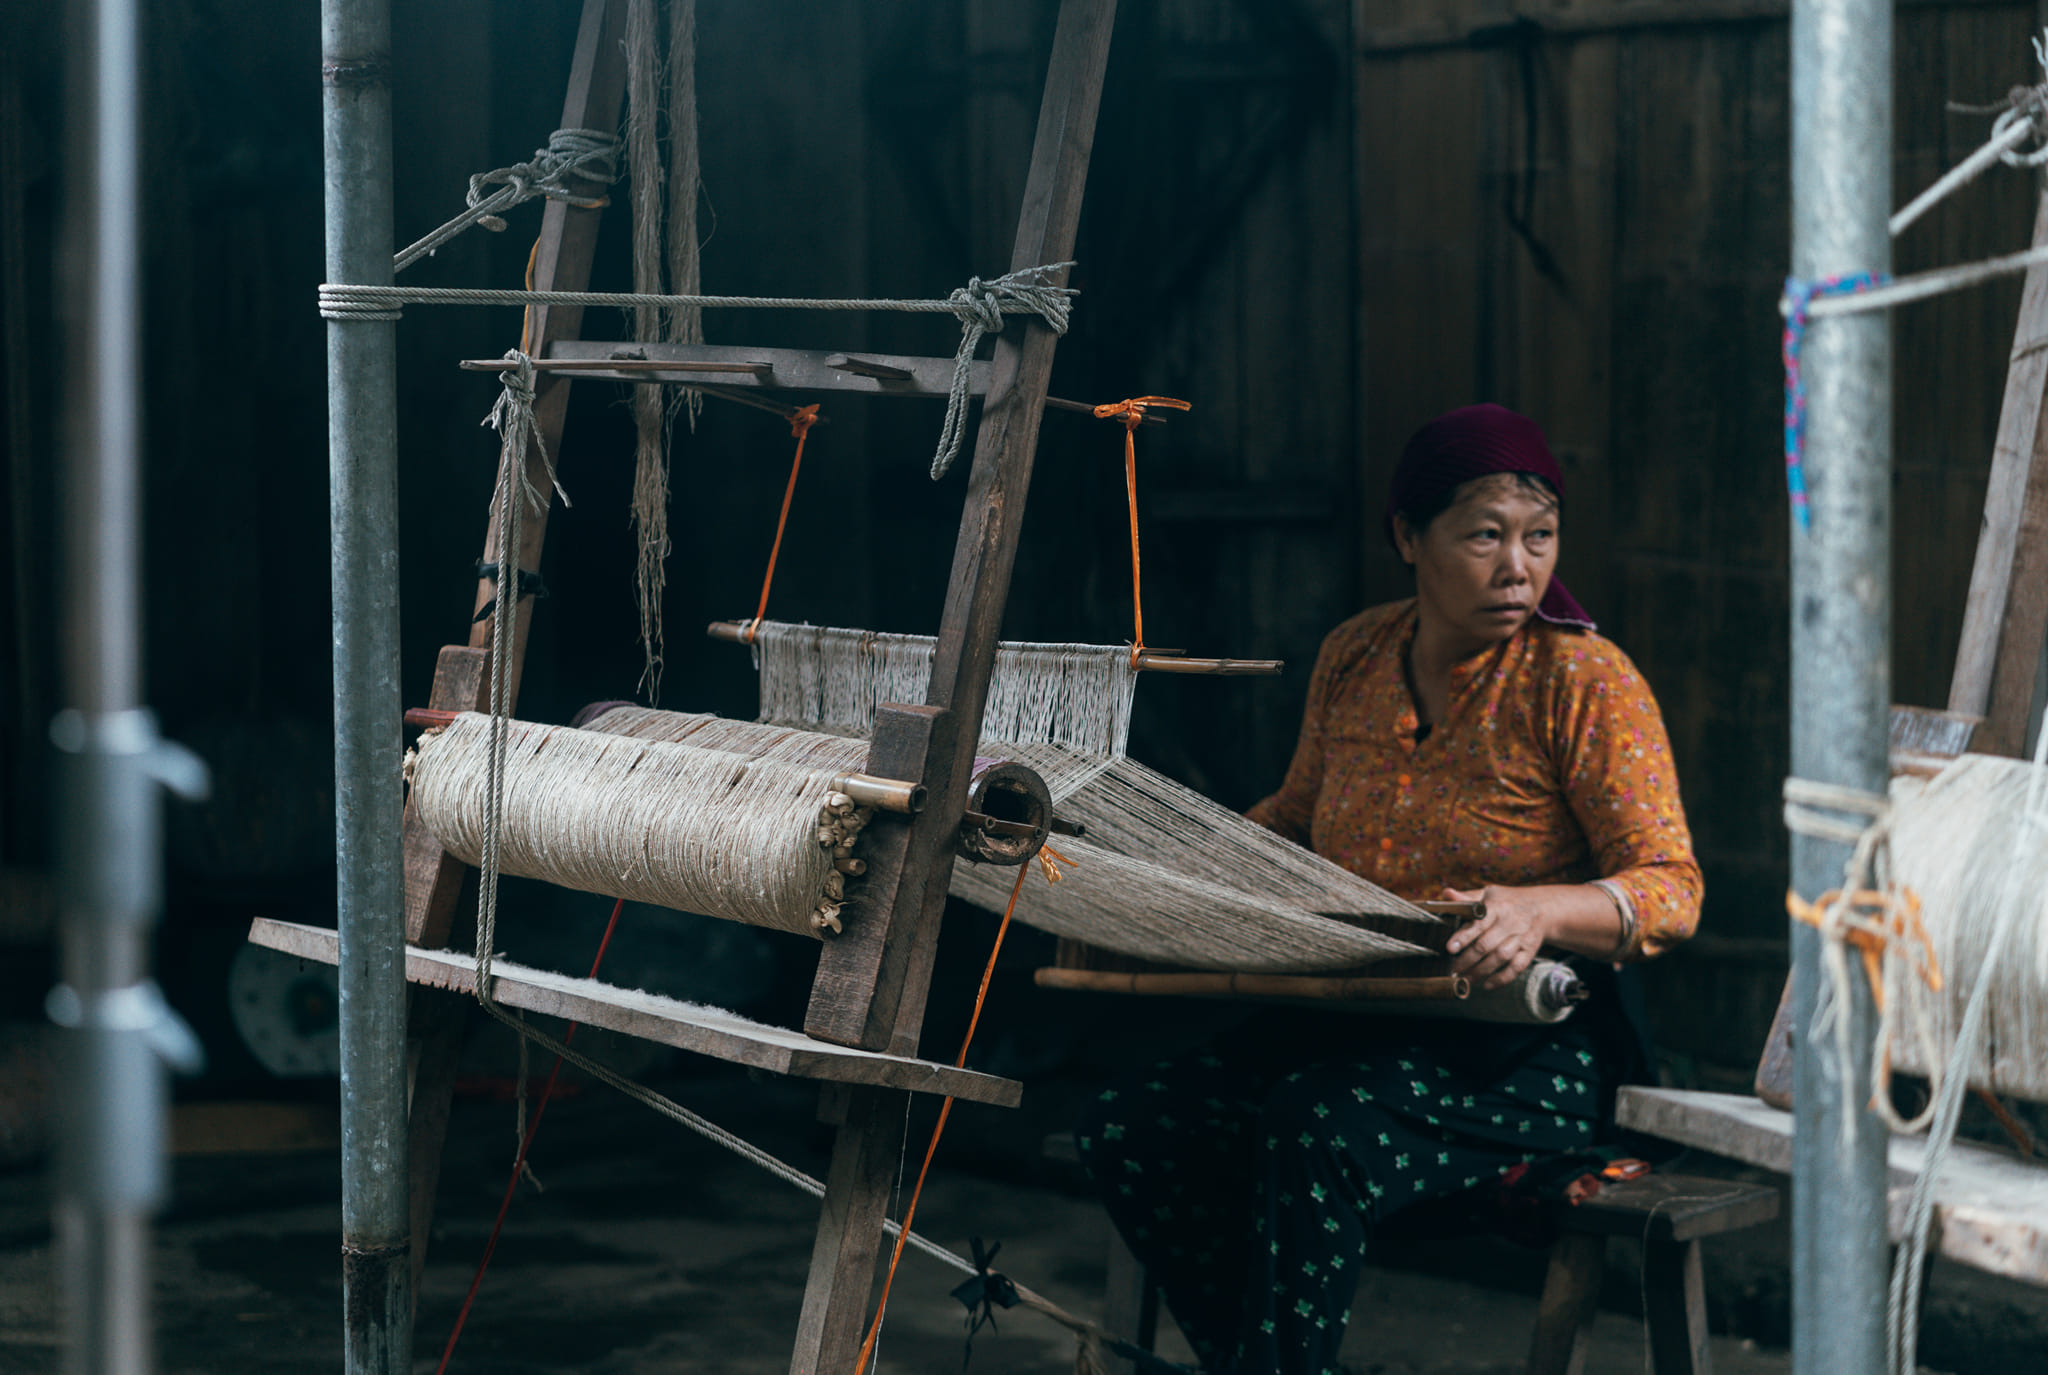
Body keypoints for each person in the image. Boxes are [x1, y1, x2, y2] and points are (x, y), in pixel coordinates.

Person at [1074, 404, 1702, 1375]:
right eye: (1484, 536)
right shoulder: (1356, 657)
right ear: (1408, 537)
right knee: (1133, 1124)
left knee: (1314, 1125)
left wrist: (1534, 909)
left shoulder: (1580, 679)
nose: (1516, 568)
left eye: (1539, 538)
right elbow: (1293, 819)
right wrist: (1150, 865)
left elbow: (1670, 887)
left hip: (1532, 1049)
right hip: (1353, 1014)